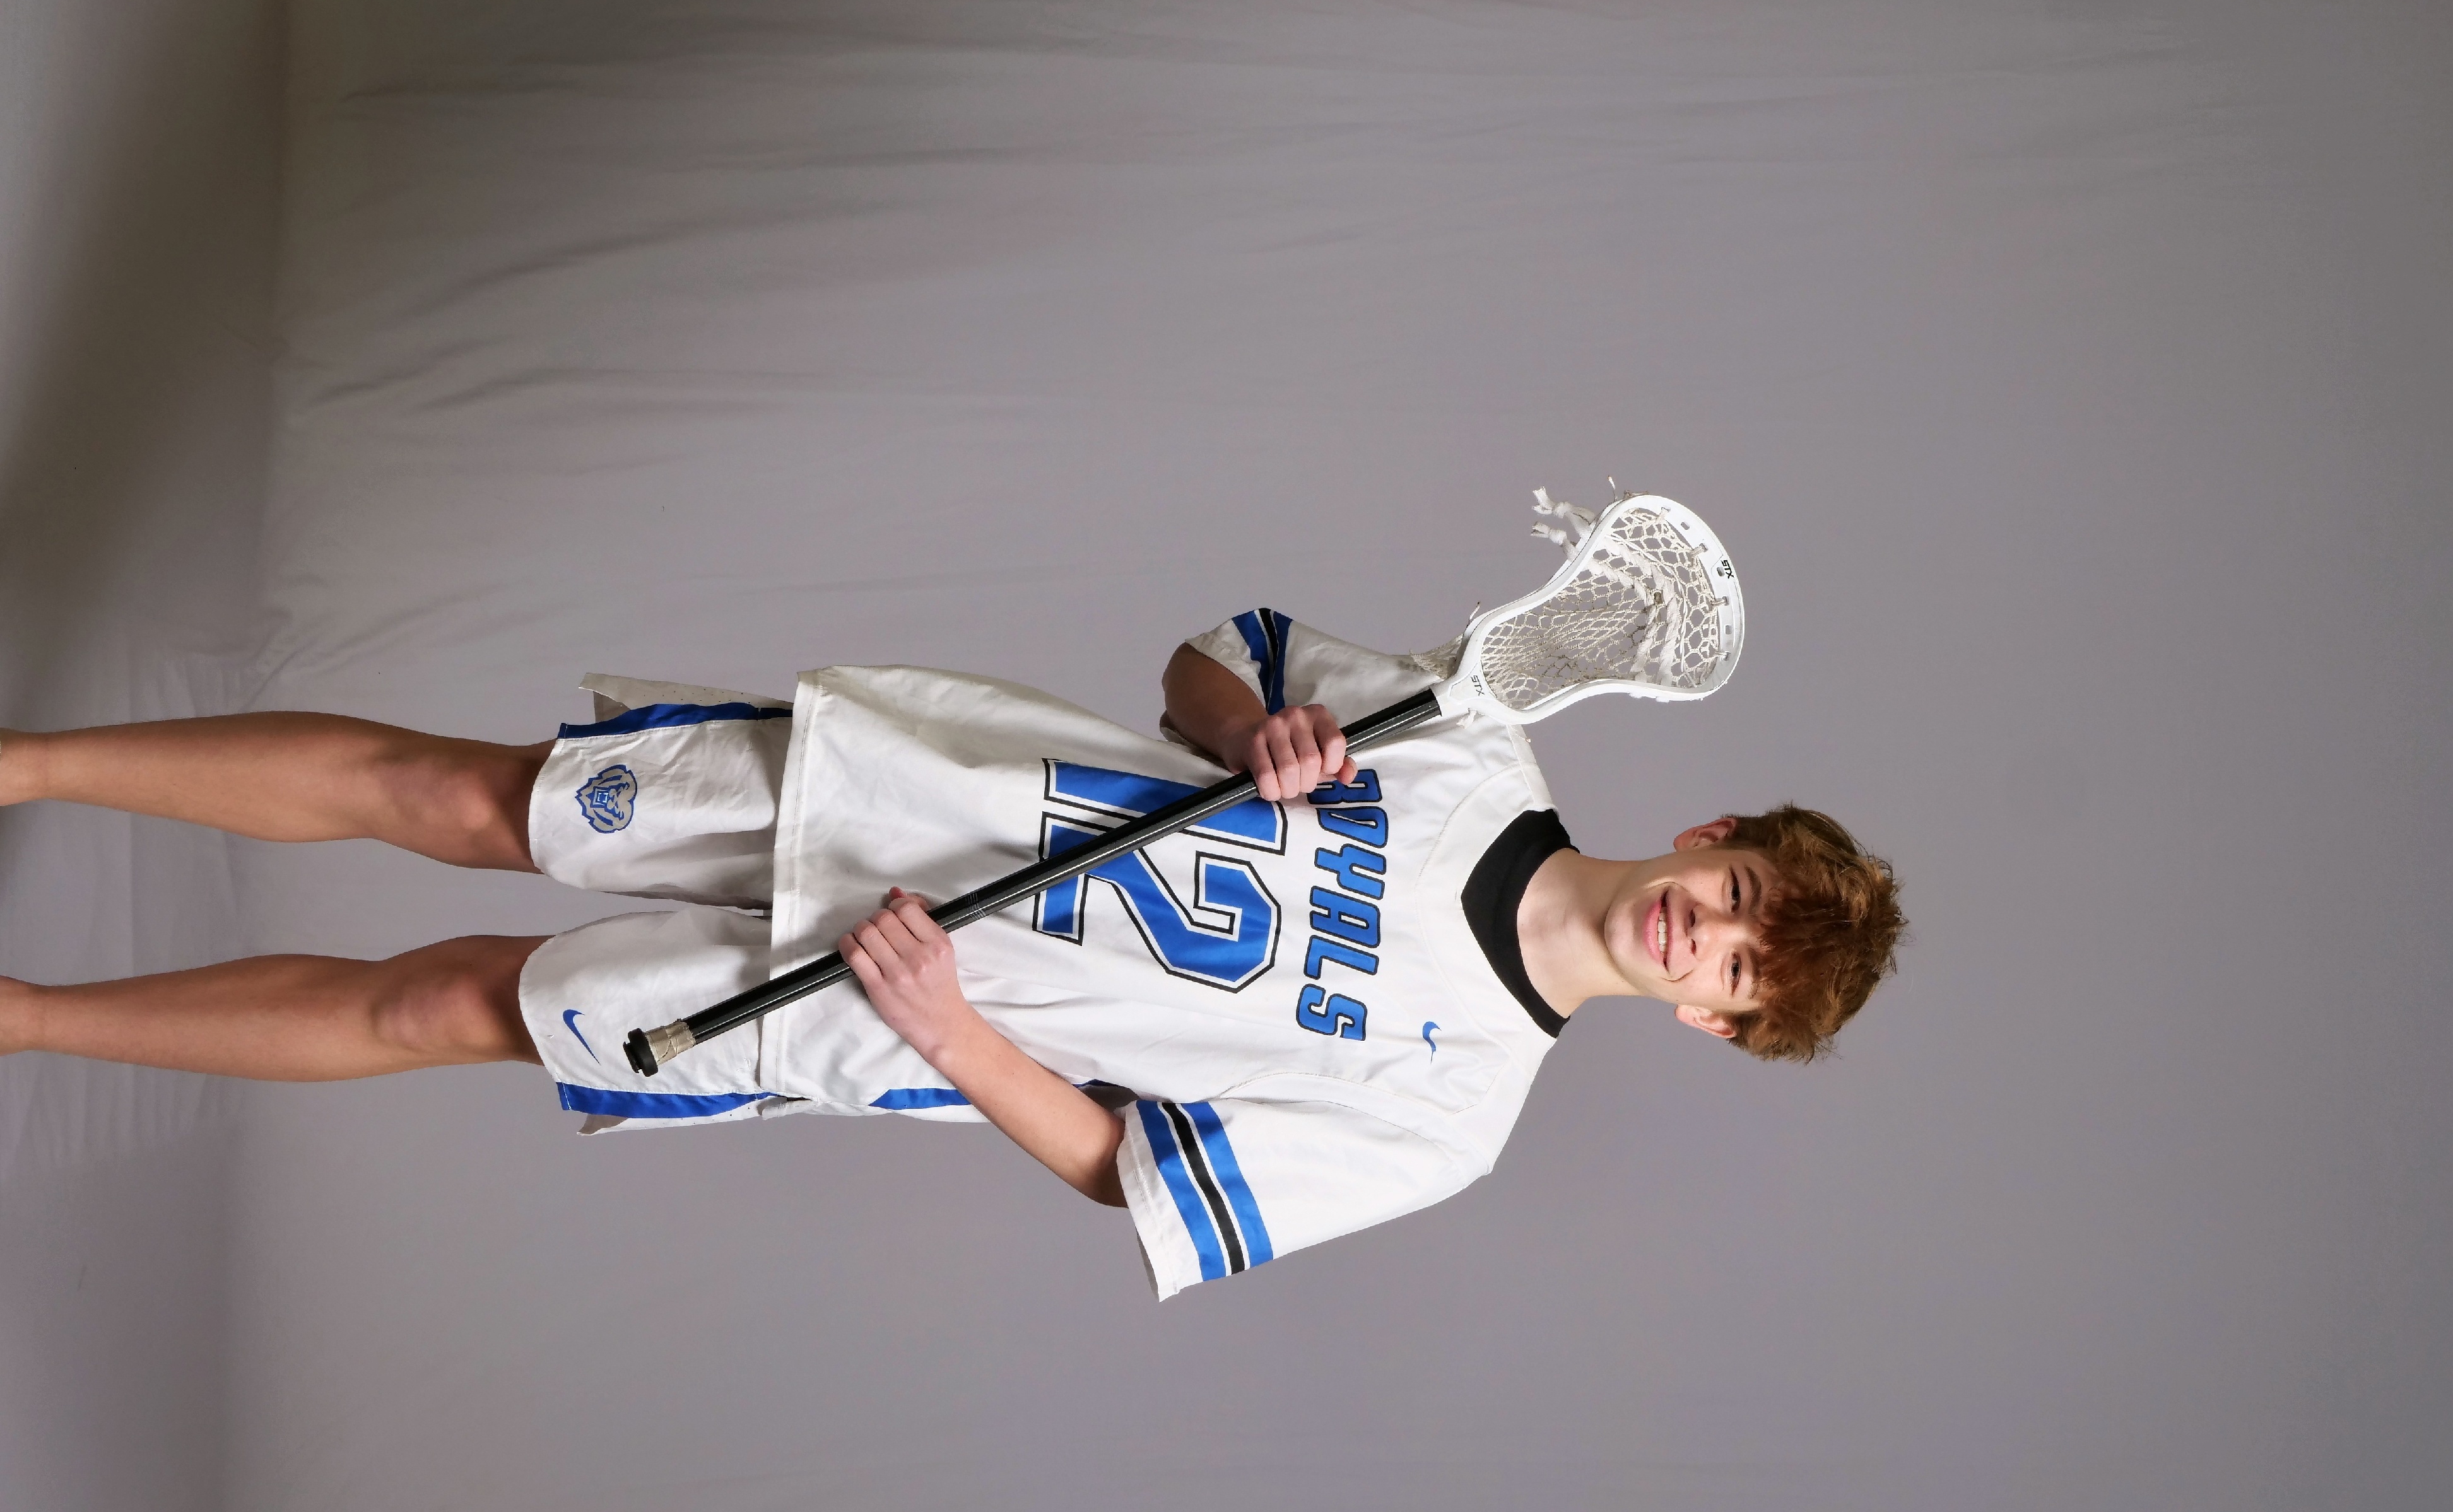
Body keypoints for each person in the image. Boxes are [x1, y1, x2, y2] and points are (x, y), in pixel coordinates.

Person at [0, 611, 1902, 1298]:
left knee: (445, 1005)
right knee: (465, 793)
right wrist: (1255, 729)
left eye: (1740, 977)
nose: (1710, 940)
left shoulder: (1457, 1116)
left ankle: (18, 1019)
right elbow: (1202, 661)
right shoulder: (1475, 740)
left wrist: (946, 1027)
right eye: (1741, 899)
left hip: (889, 1010)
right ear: (1713, 838)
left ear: (1715, 1026)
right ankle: (23, 762)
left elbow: (1129, 1172)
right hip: (903, 789)